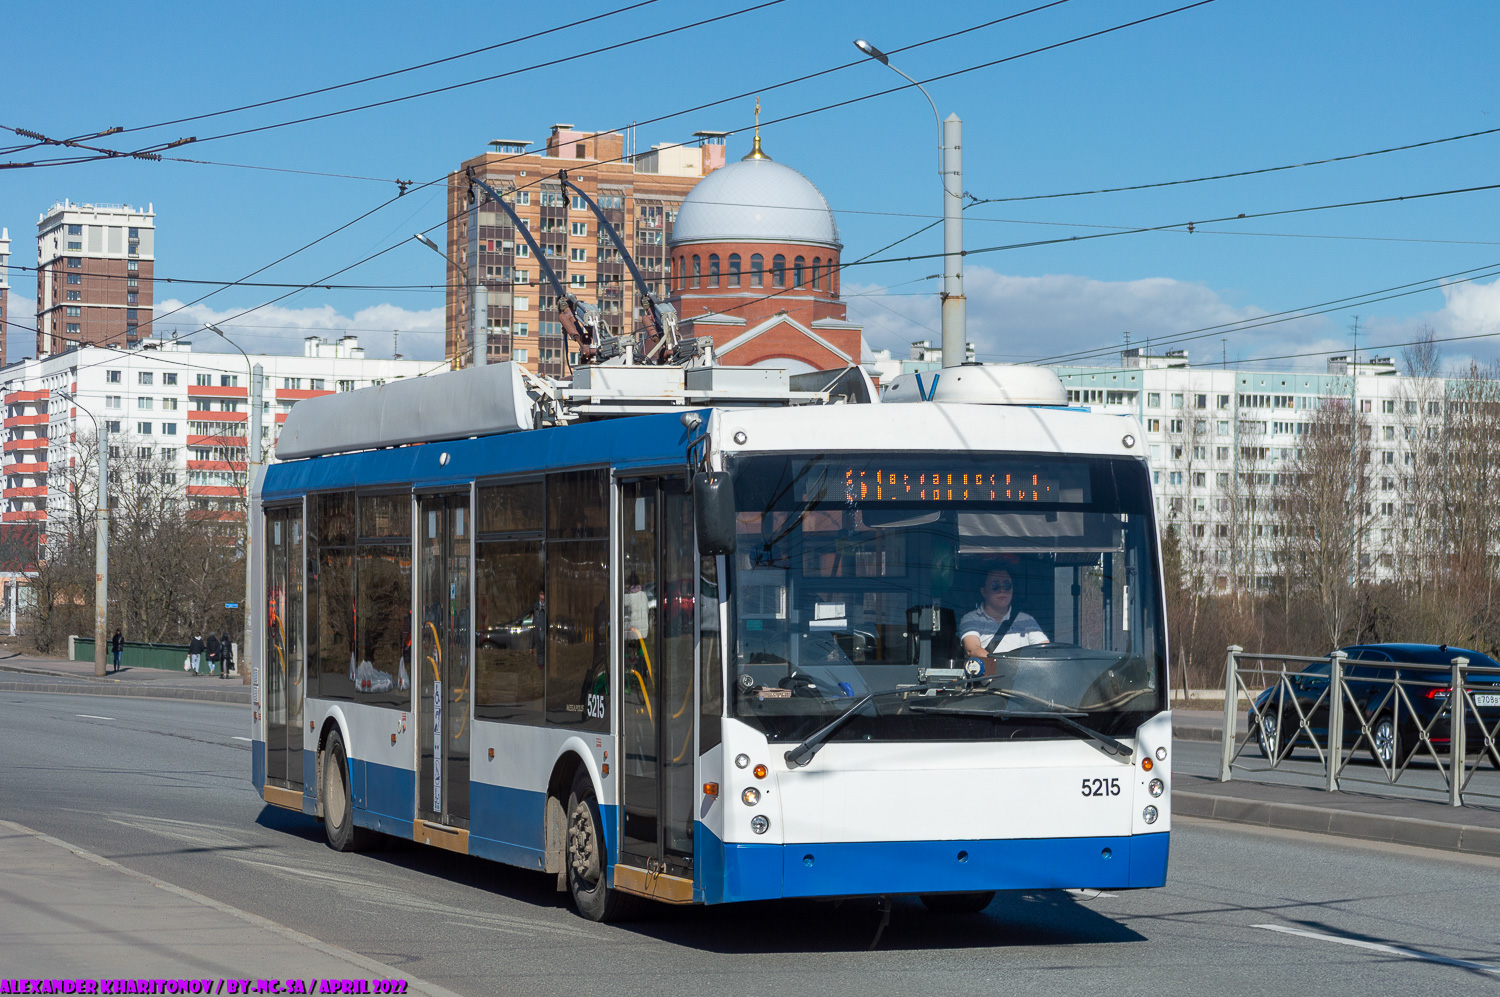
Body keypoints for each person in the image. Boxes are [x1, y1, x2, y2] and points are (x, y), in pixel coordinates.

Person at [959, 566, 1049, 674]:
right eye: (995, 586)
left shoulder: (1027, 620)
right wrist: (1005, 668)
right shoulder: (971, 619)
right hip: (987, 683)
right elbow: (973, 650)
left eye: (1007, 585)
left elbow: (1044, 650)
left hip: (1022, 681)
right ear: (983, 591)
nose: (1002, 590)